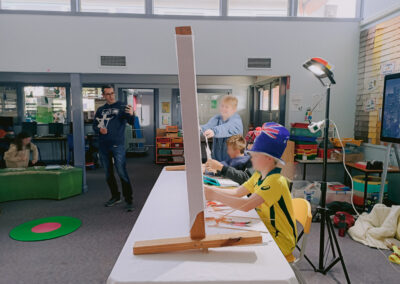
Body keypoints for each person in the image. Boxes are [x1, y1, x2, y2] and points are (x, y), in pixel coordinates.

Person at [204, 123, 297, 261]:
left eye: (255, 155)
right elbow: (237, 192)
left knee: (235, 252)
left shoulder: (276, 181)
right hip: (265, 227)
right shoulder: (259, 175)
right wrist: (211, 189)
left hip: (280, 240)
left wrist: (214, 195)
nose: (251, 158)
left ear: (268, 158)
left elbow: (246, 205)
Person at [93, 85, 135, 212]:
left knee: (122, 172)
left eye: (112, 93)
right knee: (108, 174)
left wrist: (132, 114)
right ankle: (115, 196)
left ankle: (128, 199)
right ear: (103, 96)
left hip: (118, 145)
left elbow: (131, 121)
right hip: (103, 145)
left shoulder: (122, 106)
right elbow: (95, 126)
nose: (111, 96)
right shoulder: (100, 110)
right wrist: (99, 129)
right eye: (108, 94)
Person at [201, 95, 243, 162]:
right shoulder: (217, 118)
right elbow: (207, 127)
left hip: (232, 162)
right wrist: (197, 129)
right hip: (217, 160)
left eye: (226, 107)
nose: (223, 109)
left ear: (234, 109)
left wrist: (214, 131)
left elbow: (227, 128)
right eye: (222, 106)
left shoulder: (236, 121)